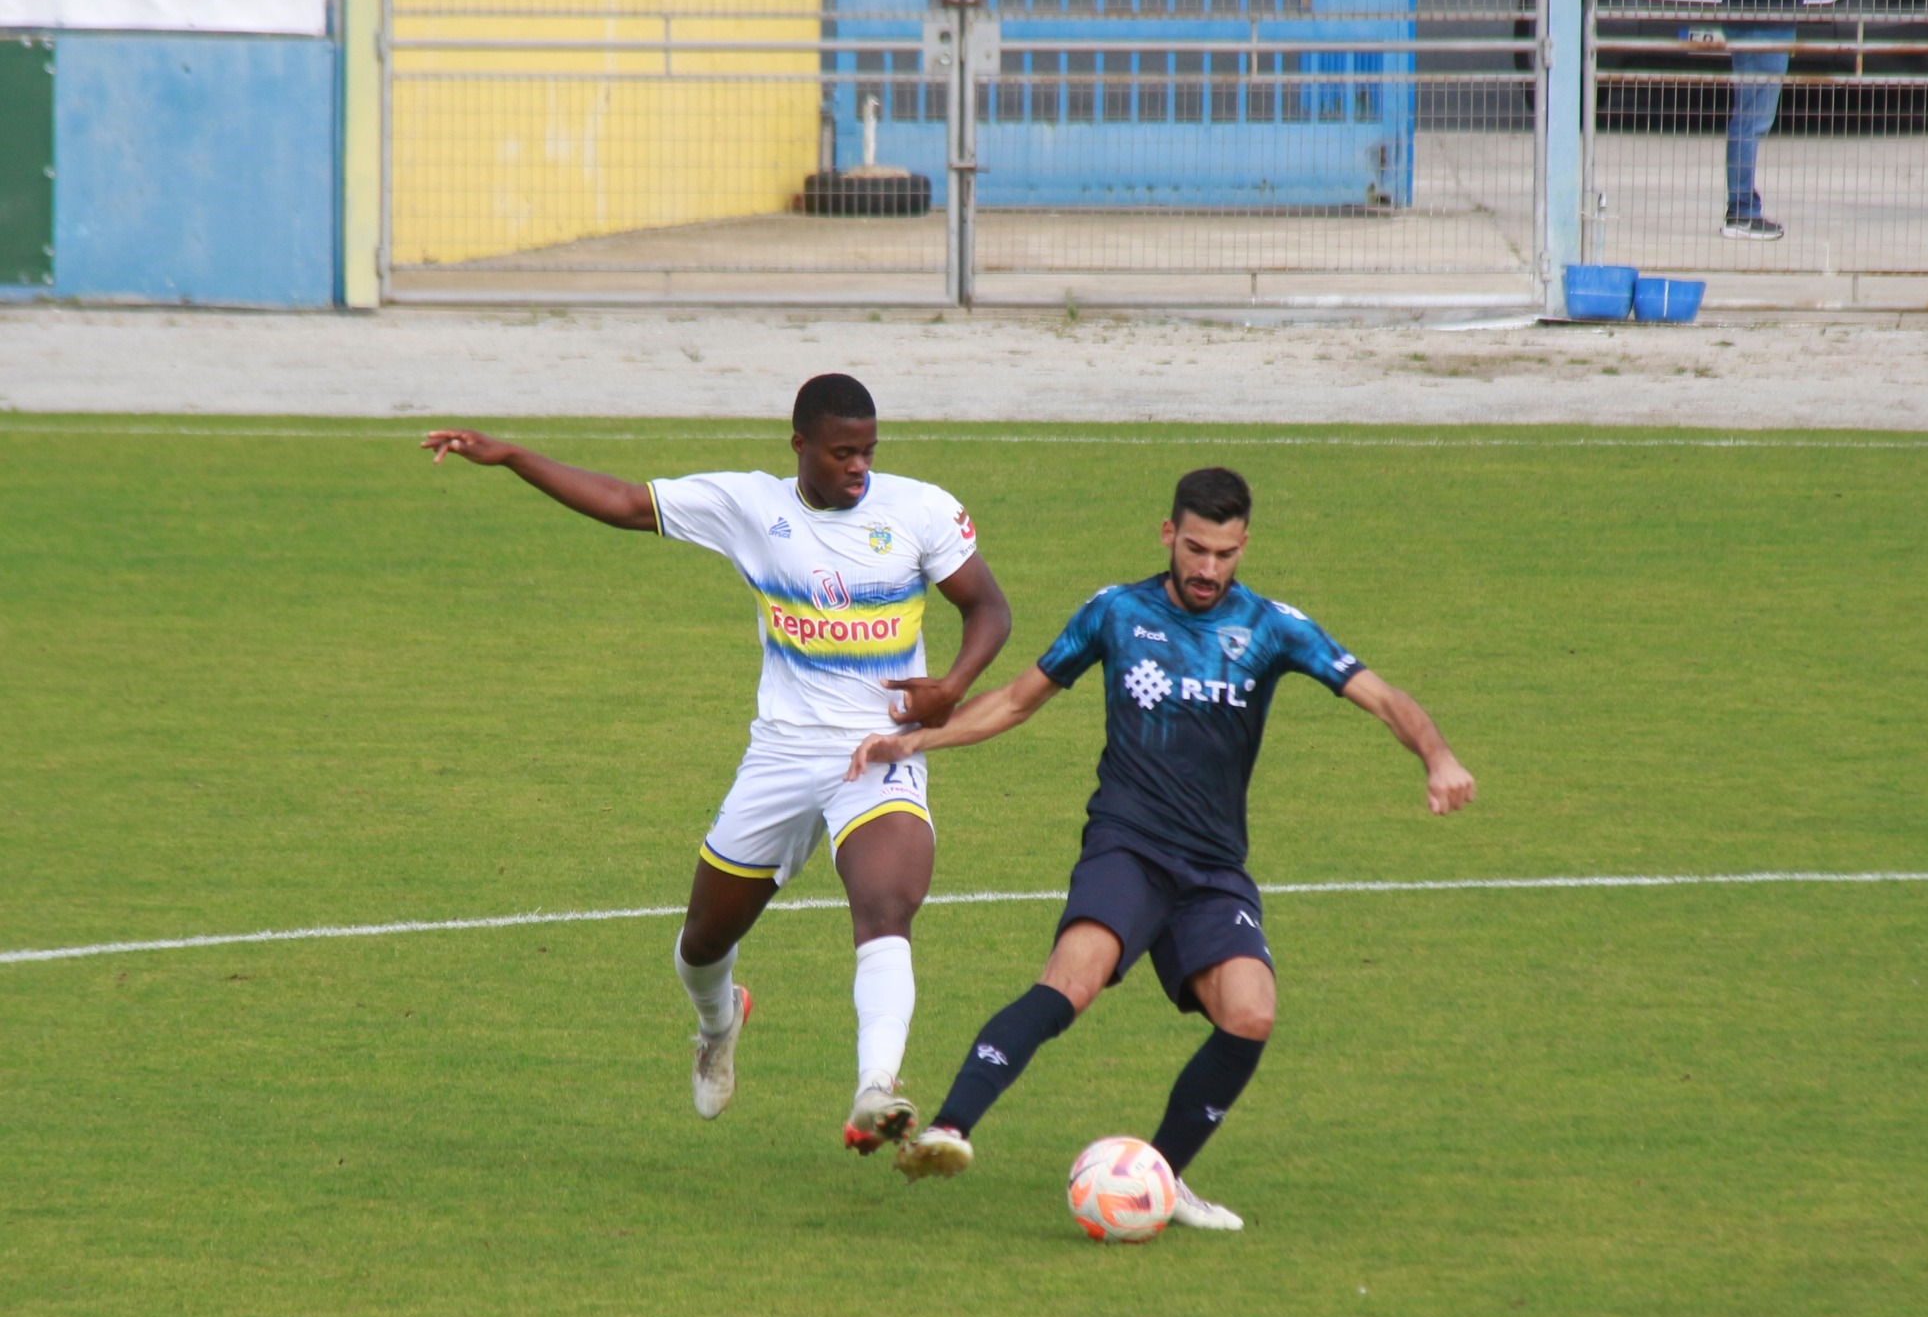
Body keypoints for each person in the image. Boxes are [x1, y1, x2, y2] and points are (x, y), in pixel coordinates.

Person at [847, 467, 1474, 1230]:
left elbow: (1385, 698)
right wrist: (914, 742)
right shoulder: (1117, 613)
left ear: (1244, 547)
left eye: (1227, 553)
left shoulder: (1271, 628)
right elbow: (1015, 700)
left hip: (1212, 869)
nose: (1209, 569)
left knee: (1250, 1014)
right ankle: (949, 1128)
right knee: (1071, 981)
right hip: (1130, 846)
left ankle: (1159, 1181)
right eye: (1198, 549)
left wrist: (1436, 755)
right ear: (1169, 535)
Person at [420, 373, 1011, 1154]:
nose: (858, 467)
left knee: (886, 907)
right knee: (703, 941)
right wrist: (514, 457)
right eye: (841, 453)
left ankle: (877, 1087)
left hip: (880, 753)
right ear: (799, 446)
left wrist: (953, 687)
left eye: (868, 451)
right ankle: (718, 1020)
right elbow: (627, 503)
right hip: (782, 755)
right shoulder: (750, 508)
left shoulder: (920, 511)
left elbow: (989, 609)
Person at [1721, 0, 1801, 240]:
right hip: (1763, 19)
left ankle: (1742, 209)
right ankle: (1742, 211)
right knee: (1752, 119)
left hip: (1765, 18)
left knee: (1751, 118)